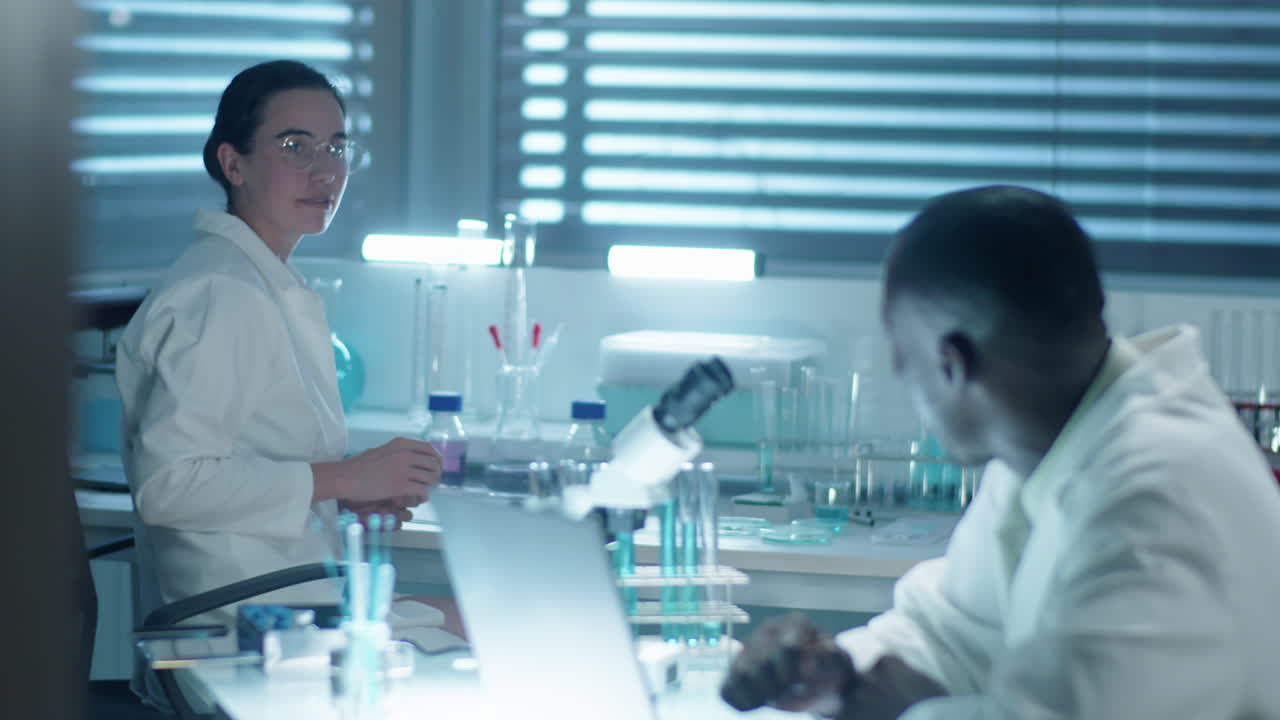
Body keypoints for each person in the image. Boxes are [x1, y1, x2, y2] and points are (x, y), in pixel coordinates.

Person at [721, 185, 1280, 719]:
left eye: (901, 354)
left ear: (952, 364)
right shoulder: (1050, 446)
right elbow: (958, 632)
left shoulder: (1150, 499)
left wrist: (902, 712)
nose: (901, 376)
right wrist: (836, 672)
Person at [116, 60, 459, 704]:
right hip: (243, 623)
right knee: (502, 632)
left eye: (336, 147)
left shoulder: (258, 280)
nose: (325, 171)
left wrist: (340, 495)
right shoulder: (223, 291)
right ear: (233, 163)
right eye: (294, 146)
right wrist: (342, 479)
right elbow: (170, 486)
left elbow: (246, 462)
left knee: (484, 620)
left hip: (287, 600)